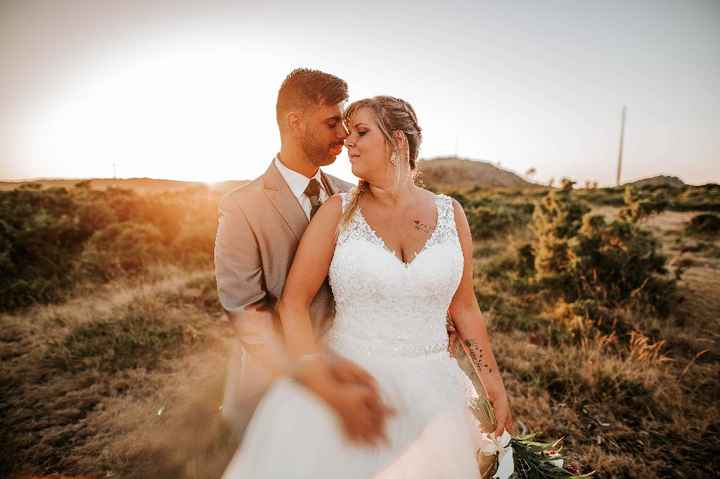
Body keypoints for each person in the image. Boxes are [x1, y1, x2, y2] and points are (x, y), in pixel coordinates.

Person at [221, 96, 515, 478]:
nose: (348, 142)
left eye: (361, 132)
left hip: (434, 389)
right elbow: (293, 303)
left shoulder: (451, 213)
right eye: (347, 133)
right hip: (350, 380)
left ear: (398, 142)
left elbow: (465, 306)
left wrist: (493, 384)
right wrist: (320, 379)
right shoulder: (337, 212)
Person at [214, 68, 390, 441]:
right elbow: (248, 314)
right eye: (332, 123)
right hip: (278, 385)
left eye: (344, 123)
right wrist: (316, 376)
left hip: (358, 369)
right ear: (295, 123)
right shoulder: (241, 208)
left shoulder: (353, 195)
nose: (344, 134)